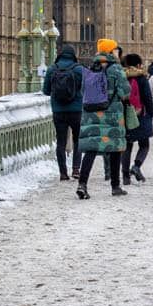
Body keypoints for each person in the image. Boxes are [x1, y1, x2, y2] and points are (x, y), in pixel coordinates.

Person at [76, 38, 131, 199]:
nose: (117, 52)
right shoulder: (116, 69)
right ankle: (115, 186)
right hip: (112, 114)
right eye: (115, 49)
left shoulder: (90, 68)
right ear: (109, 51)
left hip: (92, 113)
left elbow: (83, 91)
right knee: (114, 150)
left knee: (91, 150)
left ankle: (82, 184)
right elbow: (125, 92)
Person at [41, 43, 84, 180]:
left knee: (61, 141)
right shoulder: (79, 69)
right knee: (78, 140)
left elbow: (46, 91)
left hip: (58, 111)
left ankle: (63, 173)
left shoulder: (52, 69)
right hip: (76, 110)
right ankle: (76, 169)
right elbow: (86, 89)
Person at [121, 52, 153, 183]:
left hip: (125, 115)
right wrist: (151, 113)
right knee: (144, 145)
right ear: (139, 65)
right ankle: (136, 166)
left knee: (127, 146)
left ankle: (125, 176)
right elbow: (148, 97)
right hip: (141, 115)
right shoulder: (142, 78)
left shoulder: (121, 77)